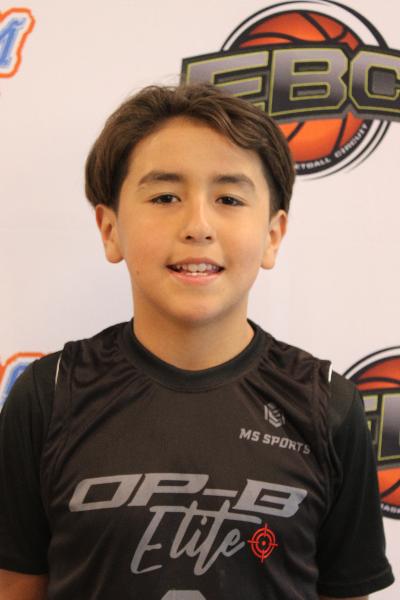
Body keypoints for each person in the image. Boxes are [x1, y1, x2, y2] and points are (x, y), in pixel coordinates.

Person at [0, 83, 394, 600]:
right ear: (109, 228)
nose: (198, 226)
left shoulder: (328, 408)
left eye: (229, 198)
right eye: (165, 197)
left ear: (272, 235)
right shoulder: (49, 396)